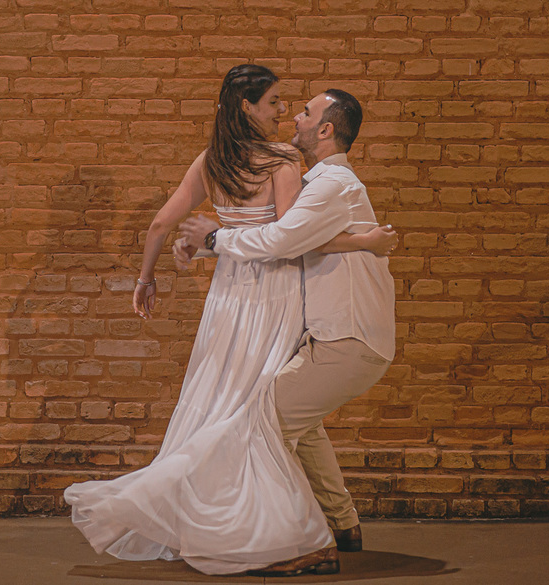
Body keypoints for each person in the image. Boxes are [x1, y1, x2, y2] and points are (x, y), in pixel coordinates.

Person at [63, 65, 393, 577]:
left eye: (293, 105)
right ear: (249, 107)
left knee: (227, 403)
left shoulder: (211, 161)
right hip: (274, 297)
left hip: (226, 301)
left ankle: (282, 520)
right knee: (256, 414)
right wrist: (361, 239)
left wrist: (146, 278)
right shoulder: (282, 161)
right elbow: (293, 240)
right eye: (276, 102)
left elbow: (160, 223)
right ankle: (286, 532)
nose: (285, 112)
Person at [178, 88, 397, 564]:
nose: (293, 117)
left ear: (325, 130)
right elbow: (304, 244)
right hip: (335, 337)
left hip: (347, 339)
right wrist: (362, 241)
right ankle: (343, 525)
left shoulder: (329, 184)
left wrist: (214, 236)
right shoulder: (322, 183)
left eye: (305, 112)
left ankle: (304, 544)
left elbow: (281, 240)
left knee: (260, 426)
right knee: (301, 423)